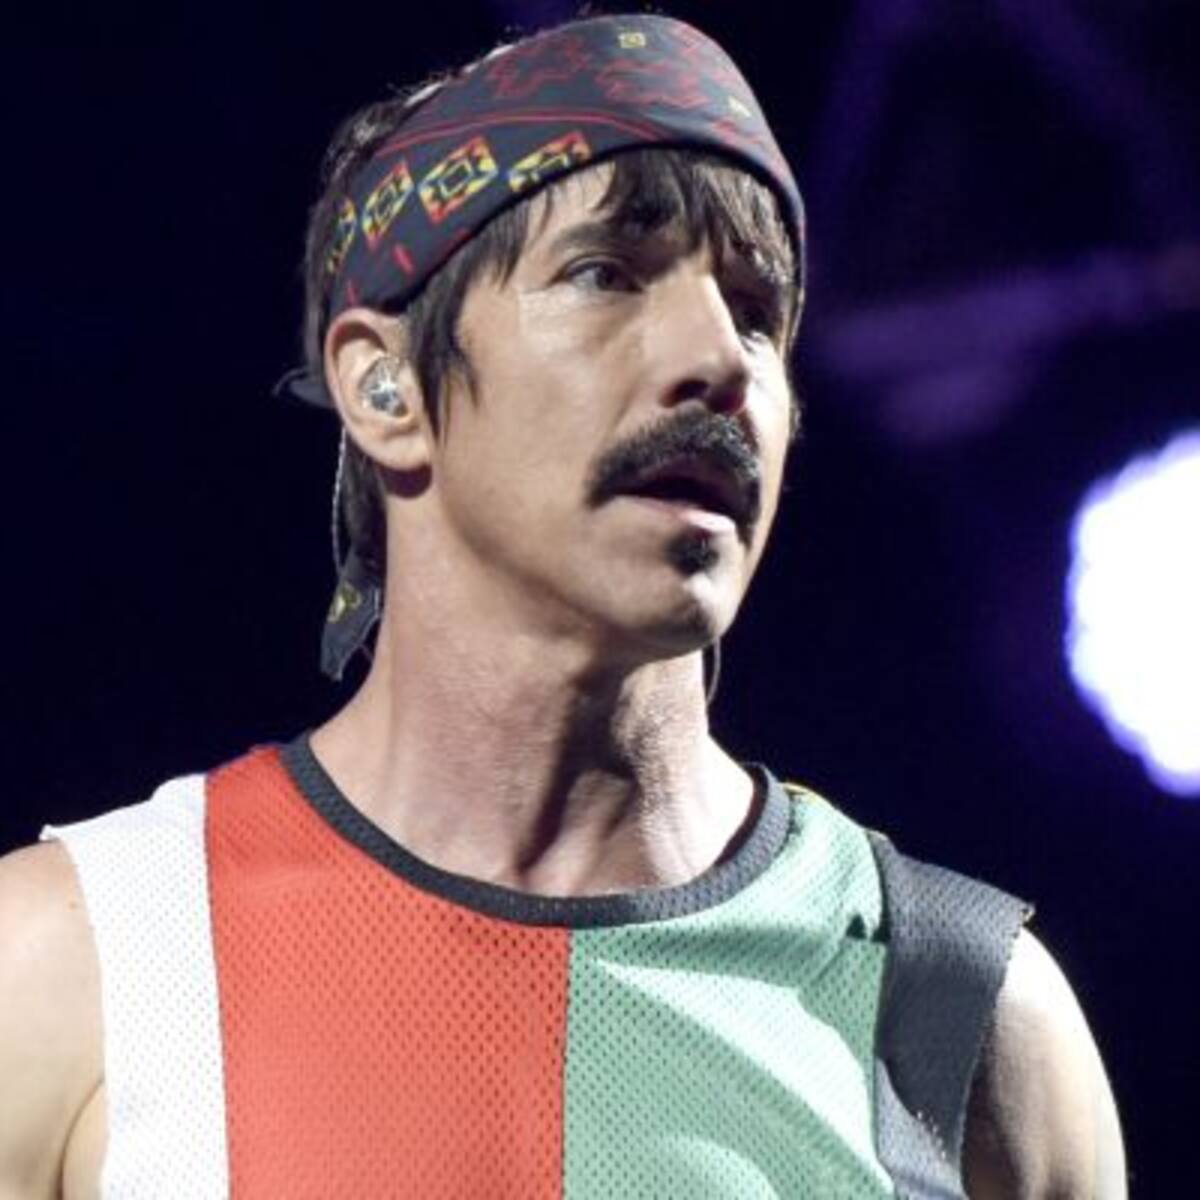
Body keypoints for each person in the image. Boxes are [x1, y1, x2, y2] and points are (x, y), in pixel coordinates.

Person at [0, 13, 1126, 1198]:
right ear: (385, 388)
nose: (720, 360)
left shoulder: (968, 1014)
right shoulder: (80, 966)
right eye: (606, 274)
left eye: (758, 311)